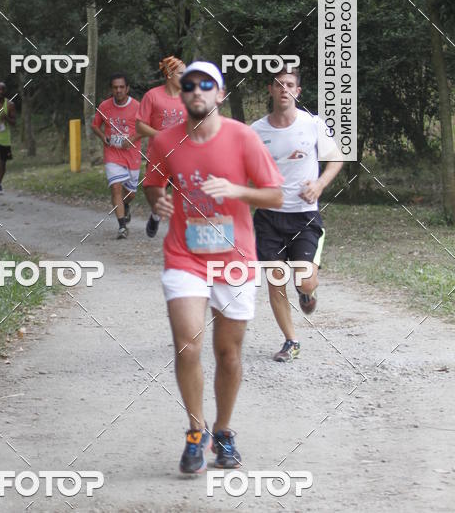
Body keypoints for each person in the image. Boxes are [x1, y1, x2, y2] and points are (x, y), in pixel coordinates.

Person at [144, 61, 283, 474]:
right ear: (181, 93)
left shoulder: (243, 138)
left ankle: (223, 431)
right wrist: (158, 201)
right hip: (184, 256)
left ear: (220, 94)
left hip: (235, 260)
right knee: (188, 344)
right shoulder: (165, 141)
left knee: (228, 353)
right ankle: (194, 431)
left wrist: (236, 189)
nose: (197, 92)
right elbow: (152, 182)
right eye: (189, 86)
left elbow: (274, 195)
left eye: (207, 86)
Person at [251, 66, 343, 362]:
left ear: (297, 91)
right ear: (271, 90)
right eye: (278, 84)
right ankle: (291, 341)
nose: (284, 89)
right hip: (268, 217)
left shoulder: (312, 124)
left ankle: (307, 293)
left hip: (304, 216)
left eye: (289, 84)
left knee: (304, 281)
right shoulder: (256, 131)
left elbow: (336, 158)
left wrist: (318, 184)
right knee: (275, 278)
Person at [136, 55, 186, 238]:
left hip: (184, 155)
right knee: (153, 190)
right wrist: (161, 135)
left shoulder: (189, 96)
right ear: (170, 74)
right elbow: (139, 125)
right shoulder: (152, 96)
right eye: (182, 73)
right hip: (158, 155)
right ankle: (156, 214)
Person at [91, 73, 141, 239]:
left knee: (131, 193)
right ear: (111, 89)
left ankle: (125, 205)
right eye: (115, 87)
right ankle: (122, 227)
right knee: (115, 188)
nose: (118, 90)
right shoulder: (105, 106)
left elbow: (145, 129)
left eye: (121, 87)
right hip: (112, 154)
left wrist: (132, 139)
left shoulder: (137, 107)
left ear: (127, 89)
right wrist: (102, 137)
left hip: (132, 155)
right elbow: (95, 125)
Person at [0, 82, 16, 194]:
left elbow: (14, 123)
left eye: (3, 89)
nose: (0, 91)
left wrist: (6, 117)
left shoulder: (10, 104)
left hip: (5, 138)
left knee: (3, 162)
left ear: (5, 91)